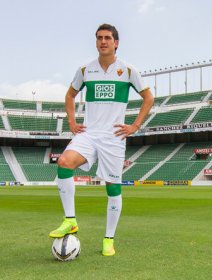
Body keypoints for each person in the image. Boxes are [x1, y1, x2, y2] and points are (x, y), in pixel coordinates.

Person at [49, 23, 154, 256]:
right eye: (99, 38)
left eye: (107, 38)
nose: (103, 41)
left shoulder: (127, 71)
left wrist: (135, 126)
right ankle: (70, 220)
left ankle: (108, 239)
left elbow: (148, 98)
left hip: (114, 137)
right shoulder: (85, 70)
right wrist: (72, 121)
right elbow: (70, 95)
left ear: (116, 43)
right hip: (89, 133)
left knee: (113, 188)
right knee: (64, 163)